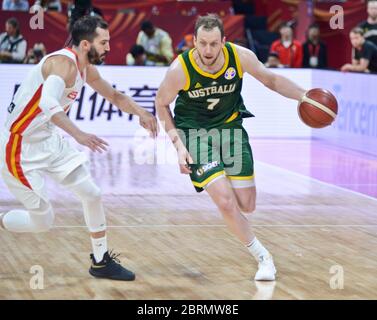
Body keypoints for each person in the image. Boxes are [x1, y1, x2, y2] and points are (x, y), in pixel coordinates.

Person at [0, 16, 158, 281]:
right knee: (42, 221)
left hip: (48, 140)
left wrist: (142, 112)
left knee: (92, 193)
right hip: (19, 146)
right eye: (103, 42)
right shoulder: (62, 64)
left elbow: (116, 96)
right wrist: (79, 134)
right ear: (86, 44)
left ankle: (100, 261)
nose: (109, 47)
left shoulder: (87, 69)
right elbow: (48, 104)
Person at [156, 14, 306, 281]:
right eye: (202, 44)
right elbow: (160, 103)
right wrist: (178, 145)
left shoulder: (240, 57)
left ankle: (236, 219)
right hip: (195, 133)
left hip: (230, 130)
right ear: (194, 42)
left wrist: (304, 96)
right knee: (225, 201)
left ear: (224, 41)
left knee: (246, 205)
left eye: (214, 44)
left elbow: (271, 80)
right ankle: (264, 257)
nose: (208, 50)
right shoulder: (180, 68)